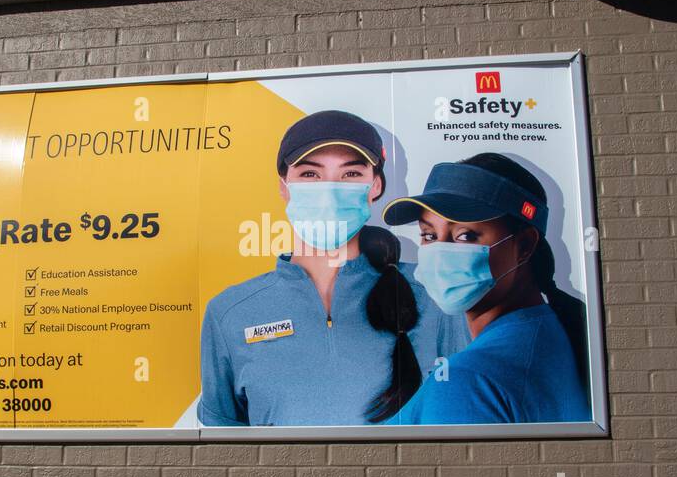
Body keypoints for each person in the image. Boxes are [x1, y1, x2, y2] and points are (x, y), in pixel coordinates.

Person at [199, 110, 468, 426]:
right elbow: (226, 450)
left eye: (350, 174)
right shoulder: (230, 312)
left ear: (375, 186)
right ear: (284, 187)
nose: (329, 190)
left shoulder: (437, 295)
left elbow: (465, 425)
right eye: (310, 175)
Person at [382, 153, 590, 425]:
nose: (441, 252)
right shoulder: (553, 335)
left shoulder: (467, 380)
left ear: (525, 245)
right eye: (429, 235)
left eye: (466, 235)